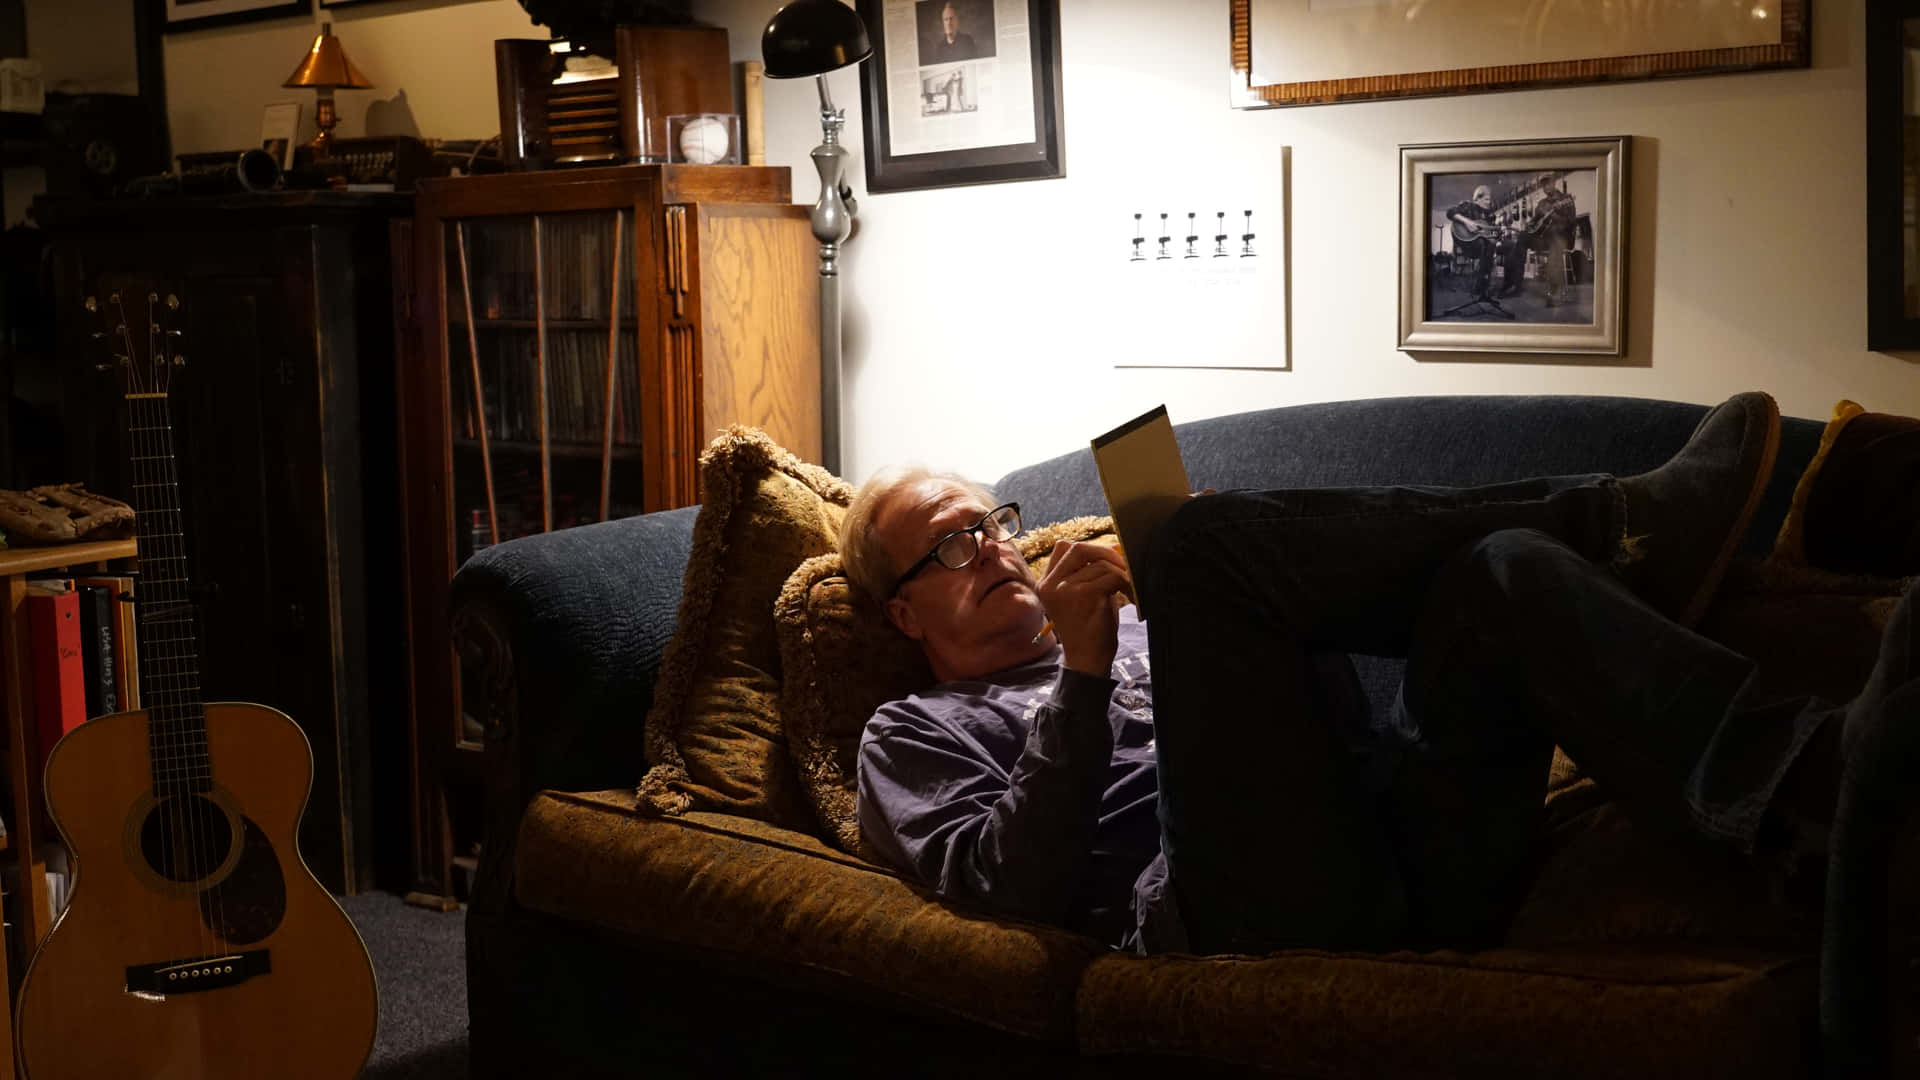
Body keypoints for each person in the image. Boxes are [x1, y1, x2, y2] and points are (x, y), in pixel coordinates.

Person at [843, 392, 1918, 956]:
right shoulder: (910, 734)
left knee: (1500, 573)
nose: (992, 548)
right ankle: (1622, 525)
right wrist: (1081, 675)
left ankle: (1809, 799)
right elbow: (1003, 888)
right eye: (951, 545)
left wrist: (1218, 609)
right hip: (1227, 918)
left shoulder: (1142, 624)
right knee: (1206, 552)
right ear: (902, 610)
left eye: (995, 524)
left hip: (1406, 843)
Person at [1443, 184, 1503, 304]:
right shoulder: (1468, 206)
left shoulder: (1488, 216)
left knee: (1493, 244)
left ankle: (1484, 285)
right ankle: (1481, 284)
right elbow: (1450, 212)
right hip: (1466, 243)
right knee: (1485, 244)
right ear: (1478, 198)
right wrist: (1467, 222)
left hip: (1481, 245)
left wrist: (1498, 233)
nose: (1489, 202)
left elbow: (1489, 234)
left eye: (1490, 200)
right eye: (1486, 199)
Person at [1532, 183, 1578, 307]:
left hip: (1562, 237)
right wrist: (1531, 224)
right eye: (1543, 184)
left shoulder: (1566, 199)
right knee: (1522, 237)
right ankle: (1512, 284)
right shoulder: (1542, 203)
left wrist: (1555, 215)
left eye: (1547, 182)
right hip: (1544, 237)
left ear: (1553, 183)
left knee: (1555, 241)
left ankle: (1555, 293)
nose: (1545, 186)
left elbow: (1571, 222)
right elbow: (1534, 220)